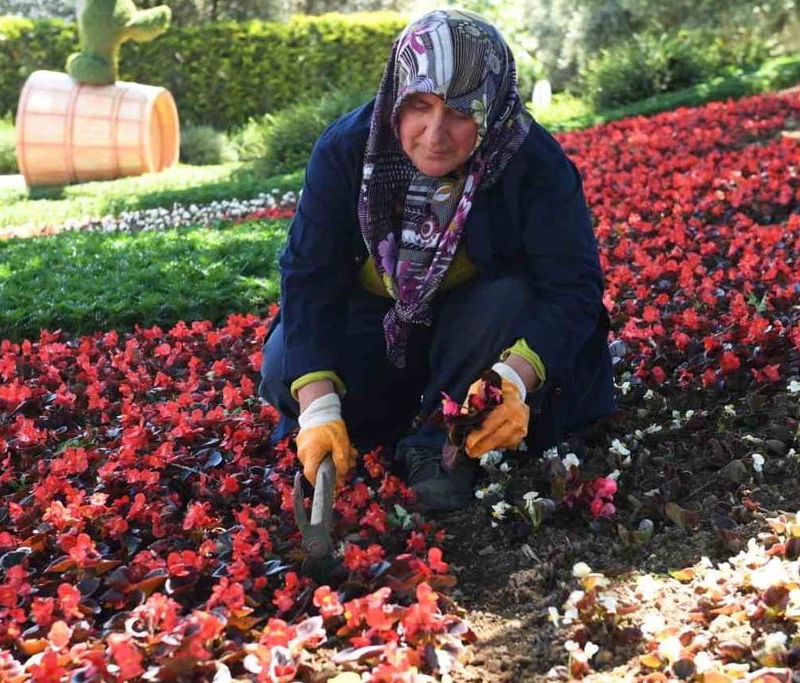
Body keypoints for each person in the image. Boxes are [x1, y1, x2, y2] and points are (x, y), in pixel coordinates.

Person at [259, 8, 614, 512]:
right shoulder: (345, 151)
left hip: (479, 340)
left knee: (509, 298)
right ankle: (366, 420)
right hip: (379, 331)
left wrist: (513, 379)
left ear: (491, 107)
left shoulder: (533, 162)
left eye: (462, 112)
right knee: (282, 365)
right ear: (396, 96)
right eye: (419, 106)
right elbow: (307, 276)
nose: (433, 134)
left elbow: (573, 289)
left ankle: (439, 442)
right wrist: (317, 406)